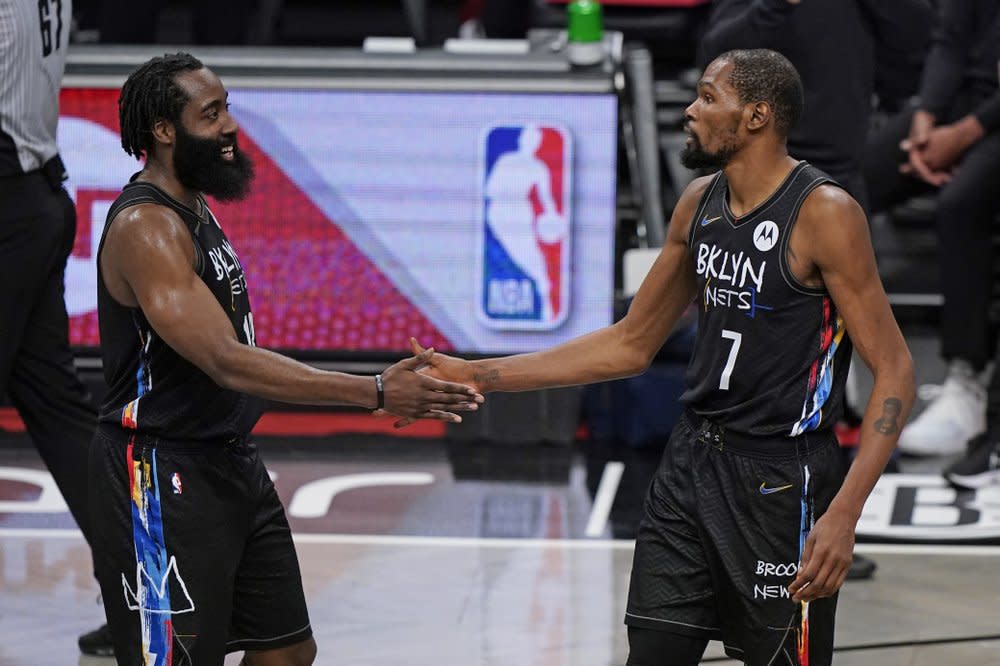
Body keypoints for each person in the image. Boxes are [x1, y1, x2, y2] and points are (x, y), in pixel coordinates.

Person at [401, 49, 915, 665]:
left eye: (707, 97)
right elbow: (629, 343)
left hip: (783, 481)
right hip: (690, 465)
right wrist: (479, 372)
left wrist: (843, 514)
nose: (691, 111)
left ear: (755, 116)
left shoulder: (825, 213)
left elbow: (896, 370)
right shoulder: (699, 203)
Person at [90, 52, 484, 665]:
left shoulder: (194, 206)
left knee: (287, 653)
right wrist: (375, 392)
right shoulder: (147, 227)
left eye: (228, 110)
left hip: (228, 459)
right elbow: (225, 360)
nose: (228, 127)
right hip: (160, 471)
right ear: (163, 132)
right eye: (210, 113)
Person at [0, 0, 113, 655]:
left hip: (11, 196)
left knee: (61, 411)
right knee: (58, 409)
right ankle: (138, 590)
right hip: (38, 193)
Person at [863, 0, 1000, 457]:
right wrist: (924, 121)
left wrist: (962, 135)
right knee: (844, 188)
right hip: (959, 103)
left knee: (961, 205)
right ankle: (805, 365)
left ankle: (968, 385)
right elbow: (949, 40)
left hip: (991, 118)